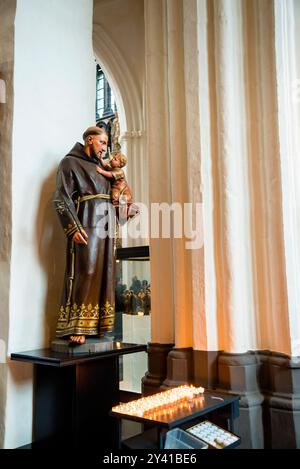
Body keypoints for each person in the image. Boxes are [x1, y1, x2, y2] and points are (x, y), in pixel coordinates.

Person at [53, 126, 115, 344]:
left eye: (106, 144)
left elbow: (116, 194)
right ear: (89, 140)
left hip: (106, 225)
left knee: (105, 272)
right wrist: (72, 227)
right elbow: (61, 198)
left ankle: (97, 324)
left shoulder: (103, 168)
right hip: (86, 221)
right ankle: (77, 325)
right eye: (102, 143)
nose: (105, 148)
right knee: (85, 270)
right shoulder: (70, 163)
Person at [96, 151, 139, 221]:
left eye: (115, 159)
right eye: (113, 158)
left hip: (122, 189)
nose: (112, 159)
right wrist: (101, 159)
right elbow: (106, 166)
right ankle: (119, 210)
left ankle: (127, 211)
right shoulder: (113, 168)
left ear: (120, 164)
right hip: (117, 187)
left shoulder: (120, 171)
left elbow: (110, 174)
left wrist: (101, 171)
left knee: (114, 196)